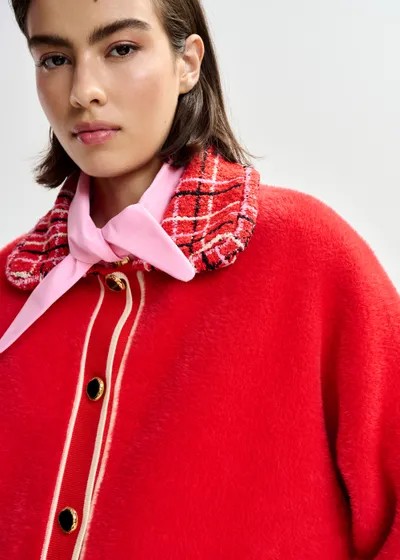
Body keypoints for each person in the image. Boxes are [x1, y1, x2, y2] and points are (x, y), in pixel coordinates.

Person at [1, 0, 399, 558]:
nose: (83, 91)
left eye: (121, 49)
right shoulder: (10, 293)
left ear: (187, 62)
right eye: (54, 59)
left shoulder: (310, 258)